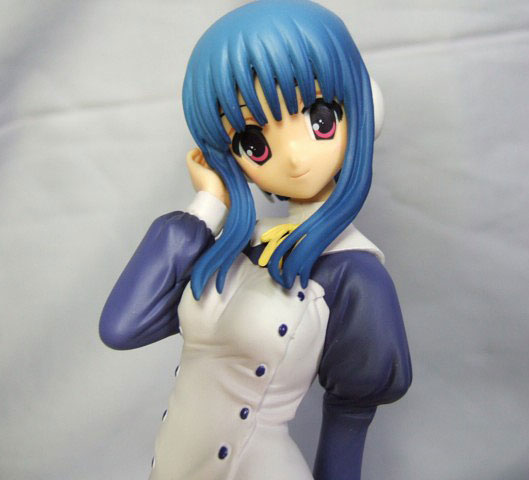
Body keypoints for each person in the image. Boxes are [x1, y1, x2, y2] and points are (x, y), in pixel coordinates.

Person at [99, 1, 412, 479]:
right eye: (254, 143)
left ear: (363, 106)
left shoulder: (354, 273)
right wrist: (209, 203)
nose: (295, 158)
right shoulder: (237, 245)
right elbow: (122, 327)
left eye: (320, 118)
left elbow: (349, 421)